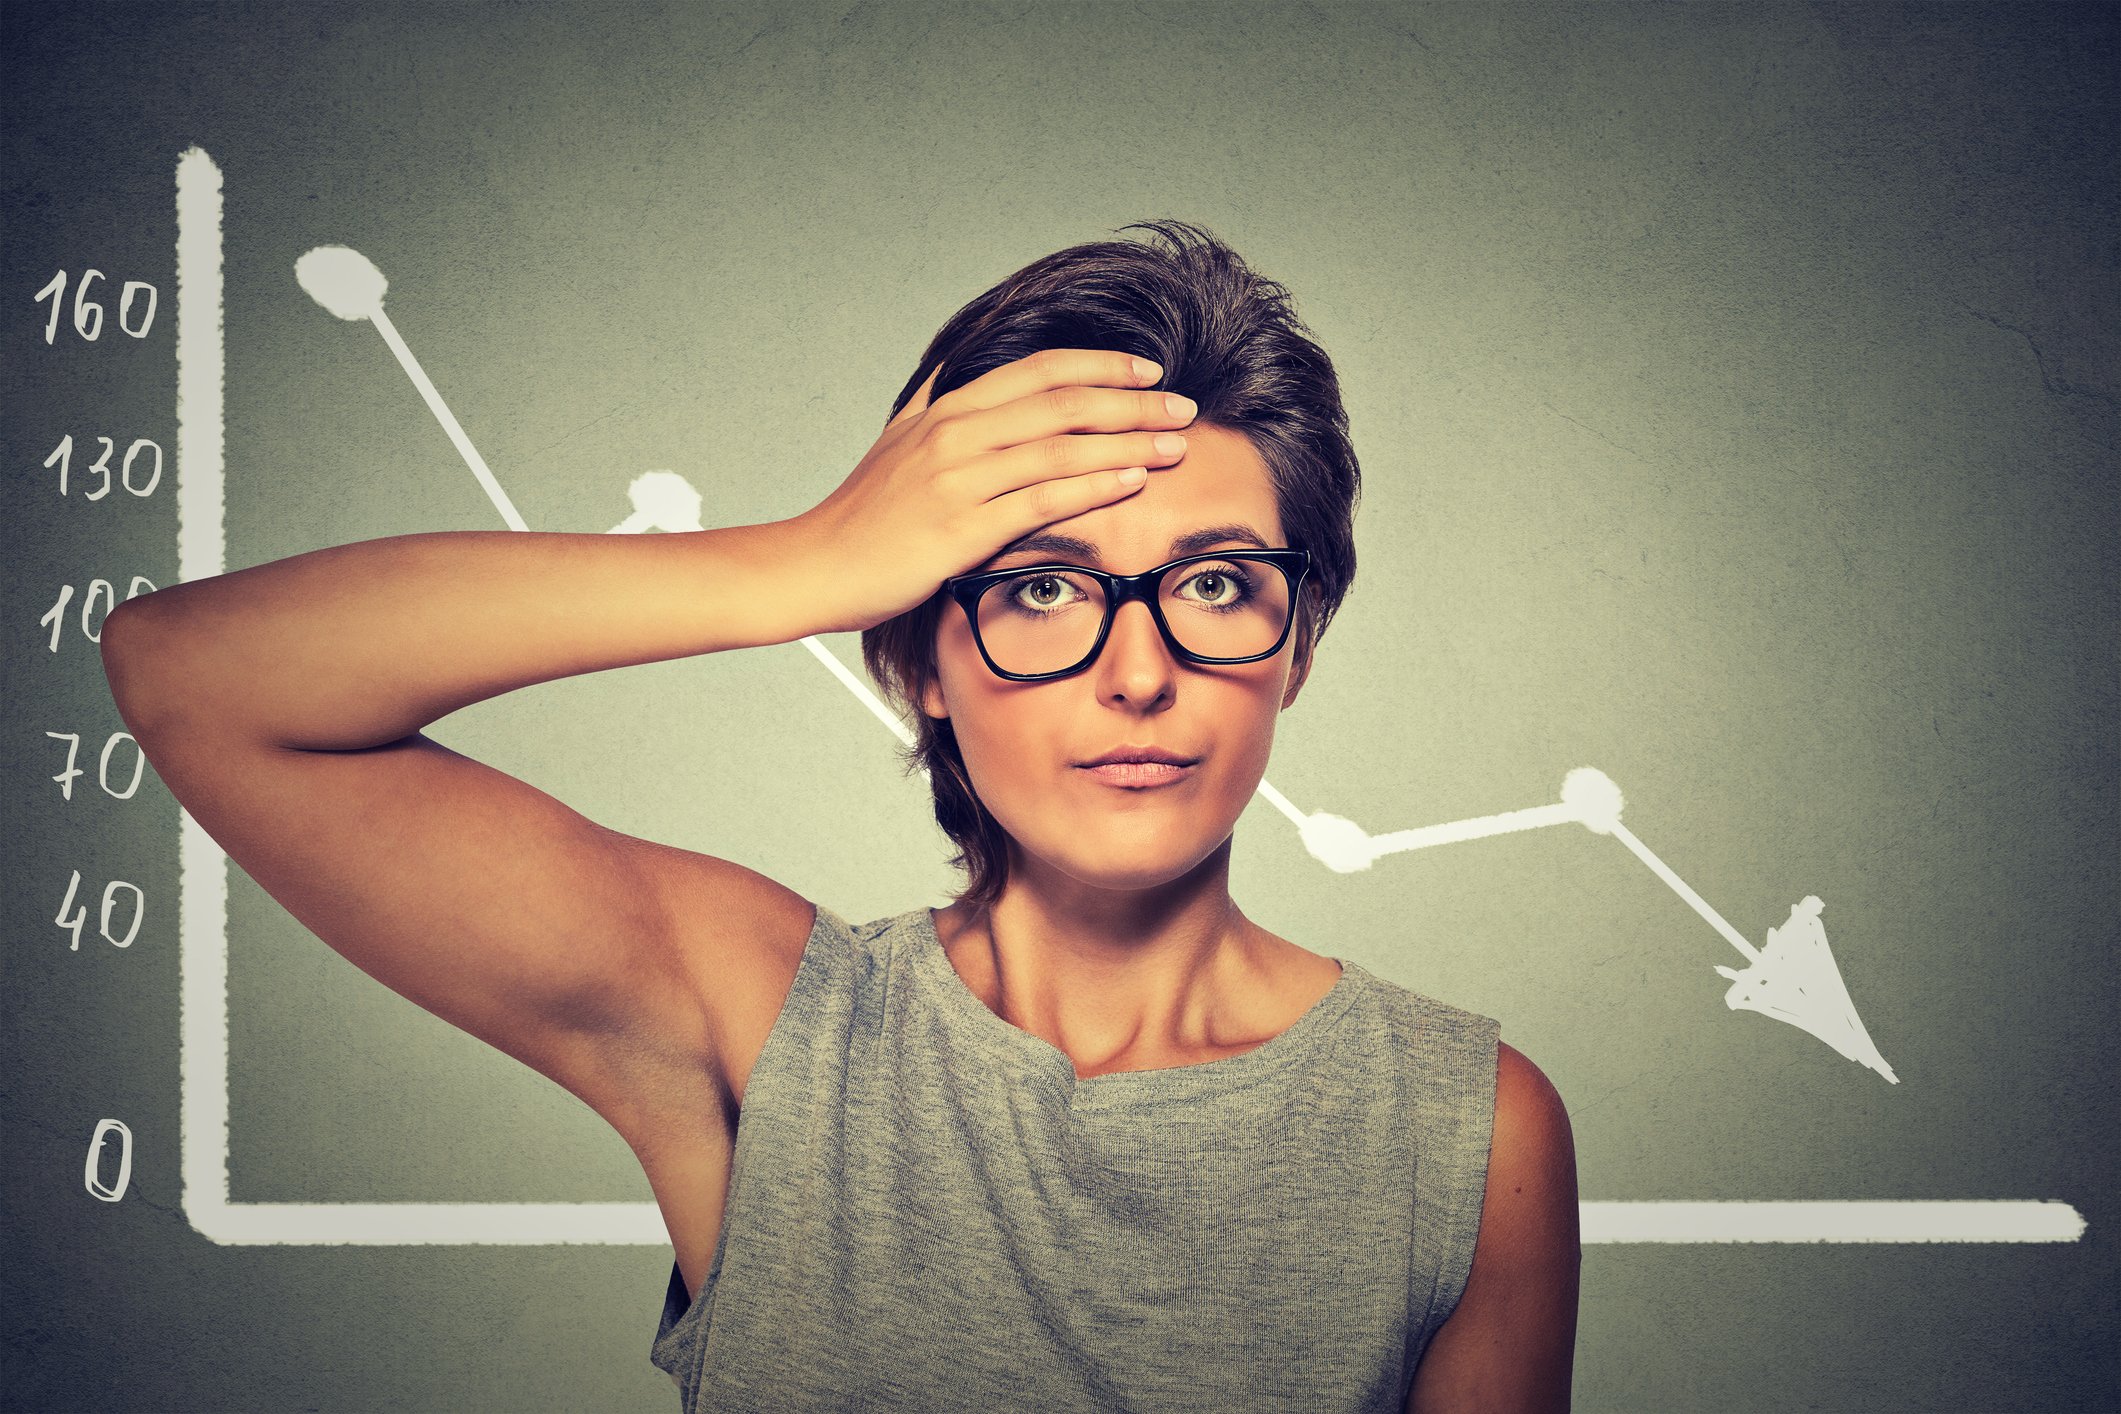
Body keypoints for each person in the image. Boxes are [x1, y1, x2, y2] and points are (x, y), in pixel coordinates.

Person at [101, 220, 1578, 1411]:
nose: (1138, 672)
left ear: (1295, 642)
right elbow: (194, 676)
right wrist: (798, 561)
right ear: (916, 654)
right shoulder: (767, 1023)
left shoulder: (1466, 1129)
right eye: (1039, 587)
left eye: (1211, 585)